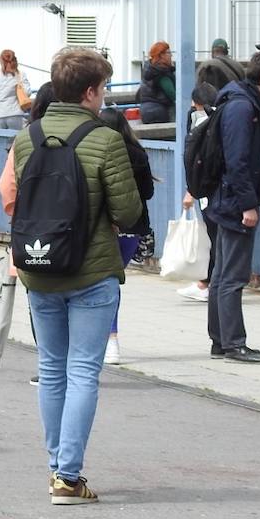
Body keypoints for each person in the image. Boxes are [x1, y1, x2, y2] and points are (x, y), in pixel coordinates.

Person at [0, 47, 142, 505]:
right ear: (88, 92)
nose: (103, 98)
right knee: (83, 371)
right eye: (101, 90)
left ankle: (55, 467)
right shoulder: (104, 139)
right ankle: (68, 475)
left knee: (51, 369)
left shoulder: (28, 138)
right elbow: (128, 211)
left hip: (40, 269)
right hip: (91, 269)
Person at [205, 49, 260, 364]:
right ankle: (233, 344)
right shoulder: (242, 107)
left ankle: (220, 340)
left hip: (224, 198)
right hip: (235, 201)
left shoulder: (233, 100)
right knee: (232, 276)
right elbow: (238, 161)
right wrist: (248, 205)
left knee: (222, 273)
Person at [97, 106, 155, 365]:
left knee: (100, 282)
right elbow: (148, 192)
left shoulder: (98, 150)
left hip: (104, 225)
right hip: (132, 227)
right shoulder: (138, 153)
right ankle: (111, 340)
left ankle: (108, 339)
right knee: (111, 281)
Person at [177, 83, 222, 302]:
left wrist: (191, 191)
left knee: (213, 237)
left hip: (209, 191)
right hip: (214, 191)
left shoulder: (203, 124)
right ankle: (207, 282)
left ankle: (208, 284)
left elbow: (194, 160)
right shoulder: (218, 120)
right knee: (215, 237)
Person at [0, 49, 32, 129]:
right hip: (15, 114)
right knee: (15, 140)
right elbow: (28, 92)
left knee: (0, 140)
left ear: (1, 61)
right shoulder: (20, 74)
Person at [136, 41, 176, 124]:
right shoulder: (162, 71)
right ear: (161, 55)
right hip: (160, 111)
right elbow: (172, 94)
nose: (171, 55)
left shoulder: (149, 69)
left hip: (144, 110)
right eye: (169, 53)